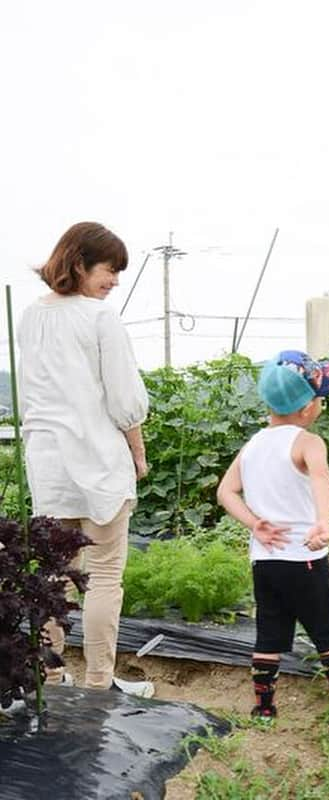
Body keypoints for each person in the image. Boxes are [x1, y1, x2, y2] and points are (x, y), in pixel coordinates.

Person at [18, 222, 155, 696]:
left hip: (49, 464)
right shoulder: (99, 318)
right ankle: (99, 683)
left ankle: (52, 677)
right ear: (79, 263)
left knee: (54, 577)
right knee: (102, 577)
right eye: (109, 269)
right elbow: (123, 400)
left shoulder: (31, 316)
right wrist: (137, 452)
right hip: (98, 459)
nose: (114, 280)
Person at [216, 350, 329, 736]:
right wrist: (323, 522)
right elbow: (321, 479)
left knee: (269, 633)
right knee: (328, 631)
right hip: (306, 558)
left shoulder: (253, 445)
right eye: (320, 397)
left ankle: (264, 709)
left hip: (265, 561)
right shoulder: (307, 441)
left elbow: (225, 492)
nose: (321, 403)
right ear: (306, 409)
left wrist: (255, 525)